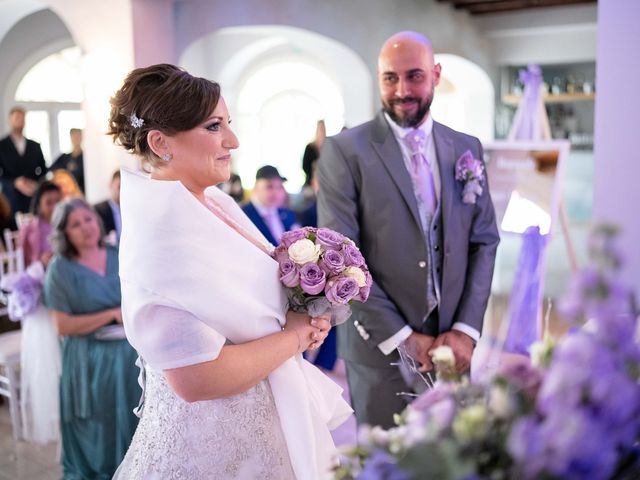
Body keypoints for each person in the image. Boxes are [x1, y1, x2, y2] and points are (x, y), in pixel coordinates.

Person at [108, 64, 350, 479]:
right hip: (213, 447)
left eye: (229, 124)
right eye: (214, 126)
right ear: (161, 142)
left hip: (263, 423)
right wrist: (294, 336)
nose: (232, 141)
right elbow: (195, 379)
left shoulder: (213, 202)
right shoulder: (162, 237)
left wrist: (308, 309)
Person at [317, 31, 500, 429]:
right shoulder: (345, 151)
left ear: (435, 74)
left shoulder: (466, 147)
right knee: (388, 461)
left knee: (455, 453)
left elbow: (483, 241)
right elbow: (341, 257)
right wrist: (403, 337)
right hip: (378, 347)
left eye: (414, 76)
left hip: (454, 345)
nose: (402, 90)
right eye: (390, 78)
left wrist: (465, 331)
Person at [43, 198, 139, 478]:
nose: (86, 227)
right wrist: (111, 314)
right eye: (75, 224)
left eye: (88, 219)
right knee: (99, 430)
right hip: (89, 359)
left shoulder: (118, 253)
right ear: (64, 234)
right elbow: (63, 326)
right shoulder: (59, 269)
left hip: (129, 351)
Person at [0, 106, 47, 214]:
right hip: (10, 199)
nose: (19, 121)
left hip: (32, 198)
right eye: (17, 118)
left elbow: (43, 169)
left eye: (22, 118)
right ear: (10, 120)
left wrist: (36, 184)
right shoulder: (2, 146)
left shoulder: (35, 146)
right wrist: (14, 182)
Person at [242, 165, 300, 246]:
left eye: (279, 187)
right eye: (269, 187)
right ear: (256, 187)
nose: (276, 192)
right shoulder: (243, 214)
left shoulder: (287, 213)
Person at [18, 180, 62, 267]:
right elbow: (23, 262)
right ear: (39, 204)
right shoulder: (28, 229)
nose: (54, 207)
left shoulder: (68, 225)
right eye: (48, 203)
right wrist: (40, 261)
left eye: (57, 202)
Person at [50, 128, 85, 193]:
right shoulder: (64, 157)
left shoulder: (86, 158)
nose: (76, 139)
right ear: (71, 138)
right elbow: (51, 170)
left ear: (82, 137)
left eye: (78, 136)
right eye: (74, 136)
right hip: (67, 193)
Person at [94, 170, 121, 243]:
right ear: (110, 185)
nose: (122, 191)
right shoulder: (97, 210)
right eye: (119, 187)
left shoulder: (132, 212)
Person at [302, 119, 326, 188]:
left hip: (324, 183)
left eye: (323, 129)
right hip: (310, 183)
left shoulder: (328, 146)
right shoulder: (310, 147)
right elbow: (305, 166)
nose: (322, 131)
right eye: (320, 129)